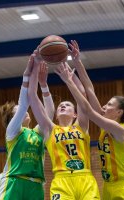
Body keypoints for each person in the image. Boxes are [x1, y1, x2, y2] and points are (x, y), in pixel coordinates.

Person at [58, 40, 124, 199]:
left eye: (109, 104)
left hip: (123, 188)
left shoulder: (120, 130)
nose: (104, 106)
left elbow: (87, 109)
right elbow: (89, 89)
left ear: (118, 112)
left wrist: (69, 81)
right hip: (108, 187)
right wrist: (77, 62)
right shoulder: (107, 126)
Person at [28, 52, 100, 200]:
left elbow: (82, 93)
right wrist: (36, 67)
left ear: (75, 114)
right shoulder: (50, 129)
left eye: (67, 105)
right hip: (61, 180)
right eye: (60, 105)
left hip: (85, 178)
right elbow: (32, 97)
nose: (62, 106)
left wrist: (67, 69)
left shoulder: (81, 126)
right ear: (55, 115)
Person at [0, 52, 55, 200]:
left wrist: (44, 85)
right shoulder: (12, 131)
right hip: (14, 182)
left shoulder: (37, 133)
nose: (25, 112)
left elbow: (49, 113)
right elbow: (24, 104)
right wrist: (27, 75)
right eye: (18, 113)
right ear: (12, 119)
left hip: (36, 184)